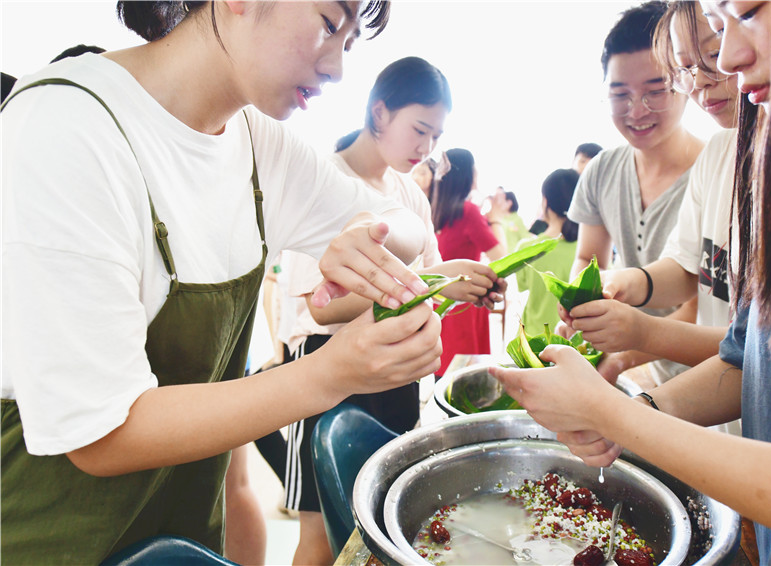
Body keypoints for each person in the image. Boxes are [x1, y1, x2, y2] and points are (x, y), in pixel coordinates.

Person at [1, 3, 446, 564]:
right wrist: (332, 373)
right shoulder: (66, 124)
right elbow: (100, 436)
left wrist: (367, 227)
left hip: (186, 542)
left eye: (351, 42)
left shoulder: (258, 143)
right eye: (331, 24)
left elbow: (402, 222)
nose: (336, 68)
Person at [493, 1, 771, 563]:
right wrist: (636, 415)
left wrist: (618, 412)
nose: (729, 60)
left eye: (750, 13)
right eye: (711, 40)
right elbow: (746, 359)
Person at [274, 56, 503, 565]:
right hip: (322, 365)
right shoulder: (320, 178)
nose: (426, 148)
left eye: (436, 136)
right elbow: (323, 307)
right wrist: (437, 279)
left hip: (394, 373)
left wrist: (465, 282)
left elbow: (429, 283)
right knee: (318, 535)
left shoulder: (408, 196)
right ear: (380, 112)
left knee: (379, 527)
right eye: (419, 129)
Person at [565, 0, 742, 401]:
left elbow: (754, 352)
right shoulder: (719, 153)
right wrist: (620, 284)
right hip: (700, 404)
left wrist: (635, 344)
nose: (637, 110)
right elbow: (687, 269)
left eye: (712, 54)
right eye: (687, 67)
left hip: (704, 387)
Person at [432, 148, 507, 377]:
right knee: (465, 378)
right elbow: (502, 258)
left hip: (441, 304)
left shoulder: (438, 211)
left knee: (444, 372)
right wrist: (496, 219)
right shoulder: (468, 212)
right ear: (467, 173)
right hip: (466, 304)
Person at [514, 169, 580, 336]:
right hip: (575, 345)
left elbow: (523, 286)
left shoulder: (526, 248)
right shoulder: (590, 254)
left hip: (532, 342)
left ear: (545, 202)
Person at [485, 187, 529, 253]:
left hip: (513, 256)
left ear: (509, 203)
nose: (498, 203)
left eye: (502, 200)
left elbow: (526, 238)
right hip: (499, 255)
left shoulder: (517, 219)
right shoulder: (497, 218)